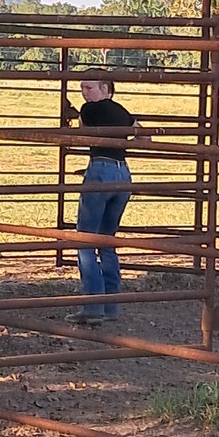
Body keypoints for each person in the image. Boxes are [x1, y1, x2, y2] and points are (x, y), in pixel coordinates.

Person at [62, 68, 137, 326]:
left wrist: (72, 122)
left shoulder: (90, 110)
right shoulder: (122, 111)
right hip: (122, 174)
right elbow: (142, 134)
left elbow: (82, 136)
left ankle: (93, 305)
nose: (85, 93)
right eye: (82, 88)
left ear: (105, 89)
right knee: (106, 240)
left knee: (84, 240)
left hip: (100, 171)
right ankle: (111, 305)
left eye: (89, 88)